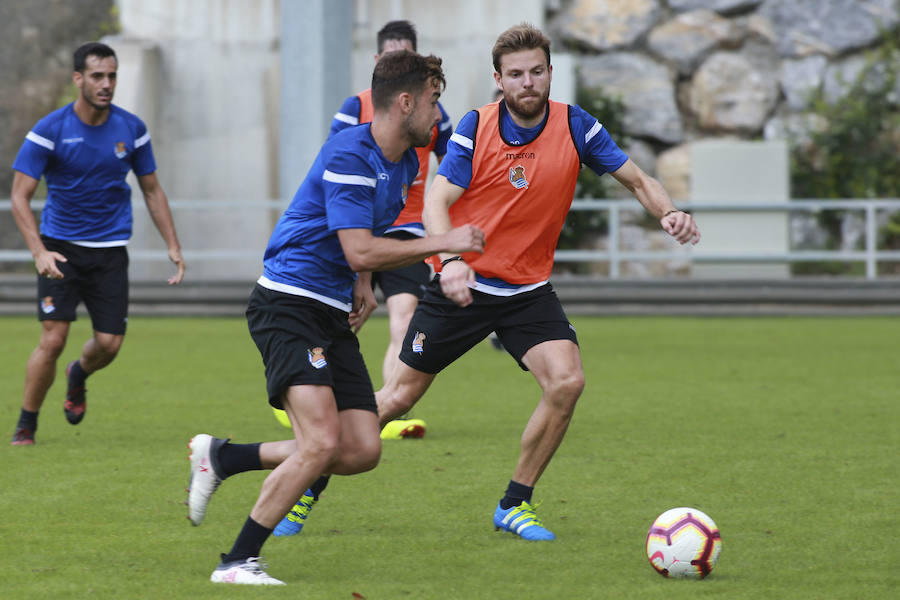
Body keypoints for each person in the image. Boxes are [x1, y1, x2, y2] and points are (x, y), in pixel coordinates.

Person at [371, 23, 701, 541]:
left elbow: (638, 179)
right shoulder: (475, 127)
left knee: (567, 382)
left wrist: (669, 212)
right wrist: (449, 262)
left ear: (551, 72)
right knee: (396, 401)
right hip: (465, 283)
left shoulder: (577, 127)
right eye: (517, 74)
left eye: (537, 72)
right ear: (499, 79)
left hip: (526, 291)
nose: (528, 82)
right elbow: (437, 201)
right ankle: (310, 476)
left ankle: (514, 503)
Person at [186, 51, 484, 585]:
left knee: (362, 448)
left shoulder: (406, 164)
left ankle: (225, 457)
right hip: (288, 303)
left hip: (330, 310)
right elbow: (359, 250)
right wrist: (446, 243)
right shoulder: (349, 154)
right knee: (321, 443)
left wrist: (363, 287)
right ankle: (236, 562)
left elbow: (363, 241)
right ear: (406, 101)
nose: (439, 118)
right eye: (435, 103)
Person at [9, 42, 185, 446]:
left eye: (112, 76)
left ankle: (79, 375)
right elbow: (20, 196)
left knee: (109, 344)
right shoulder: (50, 130)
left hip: (109, 252)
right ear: (78, 79)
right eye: (97, 76)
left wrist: (172, 245)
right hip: (60, 248)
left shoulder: (132, 129)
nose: (106, 84)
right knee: (52, 338)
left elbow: (152, 190)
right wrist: (39, 251)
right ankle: (26, 424)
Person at [330, 20, 454, 441]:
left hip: (407, 232)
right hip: (358, 228)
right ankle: (303, 391)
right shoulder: (354, 109)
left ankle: (388, 407)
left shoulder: (431, 113)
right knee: (343, 320)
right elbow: (336, 164)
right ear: (378, 62)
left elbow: (457, 168)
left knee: (403, 319)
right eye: (390, 56)